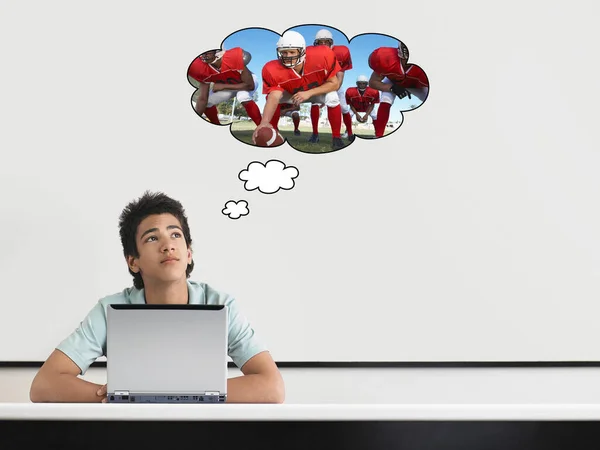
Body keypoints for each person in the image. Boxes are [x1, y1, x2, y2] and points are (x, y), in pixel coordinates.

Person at [29, 191, 285, 403]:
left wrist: (167, 394)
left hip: (205, 431)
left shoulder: (220, 304)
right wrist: (117, 397)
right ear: (133, 261)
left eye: (176, 235)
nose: (168, 245)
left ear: (189, 253)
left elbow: (272, 387)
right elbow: (44, 385)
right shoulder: (110, 309)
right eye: (152, 238)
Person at [254, 30, 346, 151]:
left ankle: (336, 137)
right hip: (292, 94)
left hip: (314, 92)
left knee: (332, 96)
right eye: (284, 52)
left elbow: (335, 84)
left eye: (292, 52)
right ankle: (273, 129)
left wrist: (309, 93)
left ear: (302, 51)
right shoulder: (271, 69)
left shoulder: (322, 55)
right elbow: (274, 96)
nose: (287, 56)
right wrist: (264, 122)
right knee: (270, 97)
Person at [367, 40, 429, 137]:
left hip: (419, 86)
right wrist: (392, 88)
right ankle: (379, 135)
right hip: (394, 82)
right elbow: (373, 82)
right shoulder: (385, 57)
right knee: (386, 98)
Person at [188, 47, 263, 126]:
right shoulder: (201, 68)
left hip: (246, 82)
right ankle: (216, 125)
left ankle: (262, 126)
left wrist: (223, 86)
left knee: (242, 96)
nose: (203, 55)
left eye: (208, 52)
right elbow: (203, 99)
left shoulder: (232, 58)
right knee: (206, 103)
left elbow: (250, 85)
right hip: (228, 87)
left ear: (218, 53)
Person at [308, 29, 353, 143]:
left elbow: (339, 79)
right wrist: (319, 94)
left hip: (335, 83)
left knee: (343, 107)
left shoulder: (340, 53)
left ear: (331, 43)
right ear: (315, 44)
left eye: (326, 42)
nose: (323, 45)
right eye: (320, 42)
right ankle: (315, 134)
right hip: (318, 83)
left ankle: (349, 132)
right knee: (315, 103)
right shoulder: (311, 53)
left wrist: (327, 93)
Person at [344, 74, 380, 140]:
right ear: (356, 83)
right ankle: (347, 132)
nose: (362, 85)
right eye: (360, 83)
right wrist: (356, 114)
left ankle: (377, 133)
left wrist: (367, 114)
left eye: (364, 83)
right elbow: (350, 104)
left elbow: (372, 104)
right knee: (348, 115)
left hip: (368, 107)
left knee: (375, 116)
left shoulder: (374, 91)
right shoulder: (350, 91)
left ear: (367, 84)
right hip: (355, 107)